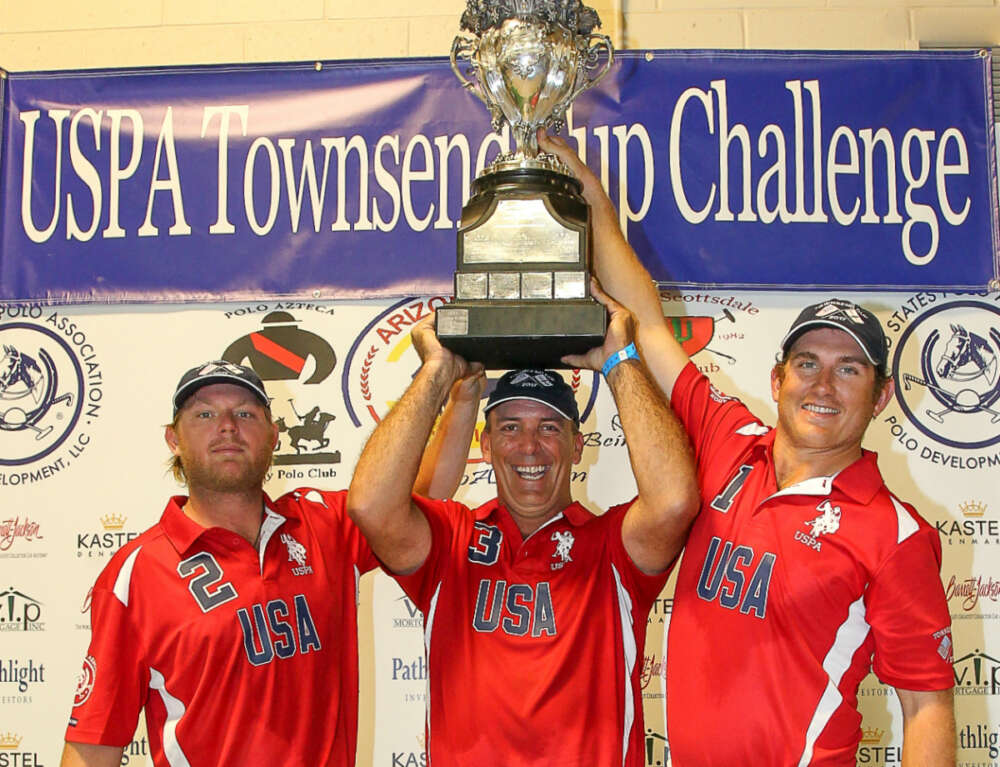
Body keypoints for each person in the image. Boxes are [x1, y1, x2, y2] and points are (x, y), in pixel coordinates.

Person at [539, 132, 956, 766]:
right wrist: (594, 204)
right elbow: (648, 320)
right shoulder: (728, 442)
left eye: (850, 370)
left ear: (880, 398)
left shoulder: (895, 535)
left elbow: (926, 705)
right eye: (808, 362)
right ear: (777, 379)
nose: (822, 384)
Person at [346, 288, 700, 767]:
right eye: (510, 427)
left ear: (577, 447)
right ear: (486, 446)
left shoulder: (612, 546)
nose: (529, 446)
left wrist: (620, 359)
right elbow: (369, 505)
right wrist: (439, 374)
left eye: (550, 428)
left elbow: (676, 500)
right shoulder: (452, 539)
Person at [60, 359, 476, 767]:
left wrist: (462, 392)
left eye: (245, 413)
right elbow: (94, 744)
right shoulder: (137, 572)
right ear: (173, 439)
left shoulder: (321, 523)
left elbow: (423, 494)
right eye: (205, 414)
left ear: (274, 435)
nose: (227, 425)